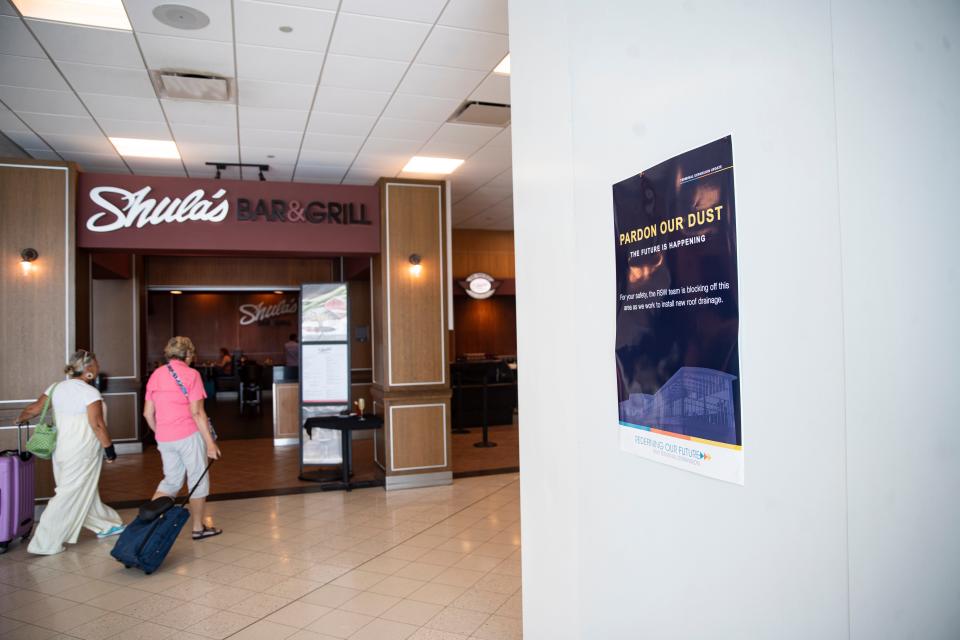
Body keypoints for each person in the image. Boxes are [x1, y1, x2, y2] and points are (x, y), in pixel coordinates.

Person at [16, 350, 124, 555]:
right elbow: (98, 425)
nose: (98, 367)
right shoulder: (89, 393)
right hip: (83, 451)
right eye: (96, 363)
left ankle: (106, 525)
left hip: (62, 450)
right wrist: (109, 449)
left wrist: (20, 418)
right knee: (67, 494)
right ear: (89, 369)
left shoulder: (56, 387)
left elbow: (33, 409)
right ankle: (44, 542)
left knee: (81, 489)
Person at [144, 336, 223, 540]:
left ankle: (147, 528)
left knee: (170, 482)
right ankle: (198, 528)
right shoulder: (191, 374)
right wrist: (210, 443)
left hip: (164, 437)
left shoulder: (157, 374)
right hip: (188, 435)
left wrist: (160, 433)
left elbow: (147, 413)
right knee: (197, 478)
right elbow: (197, 413)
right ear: (187, 354)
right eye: (192, 354)